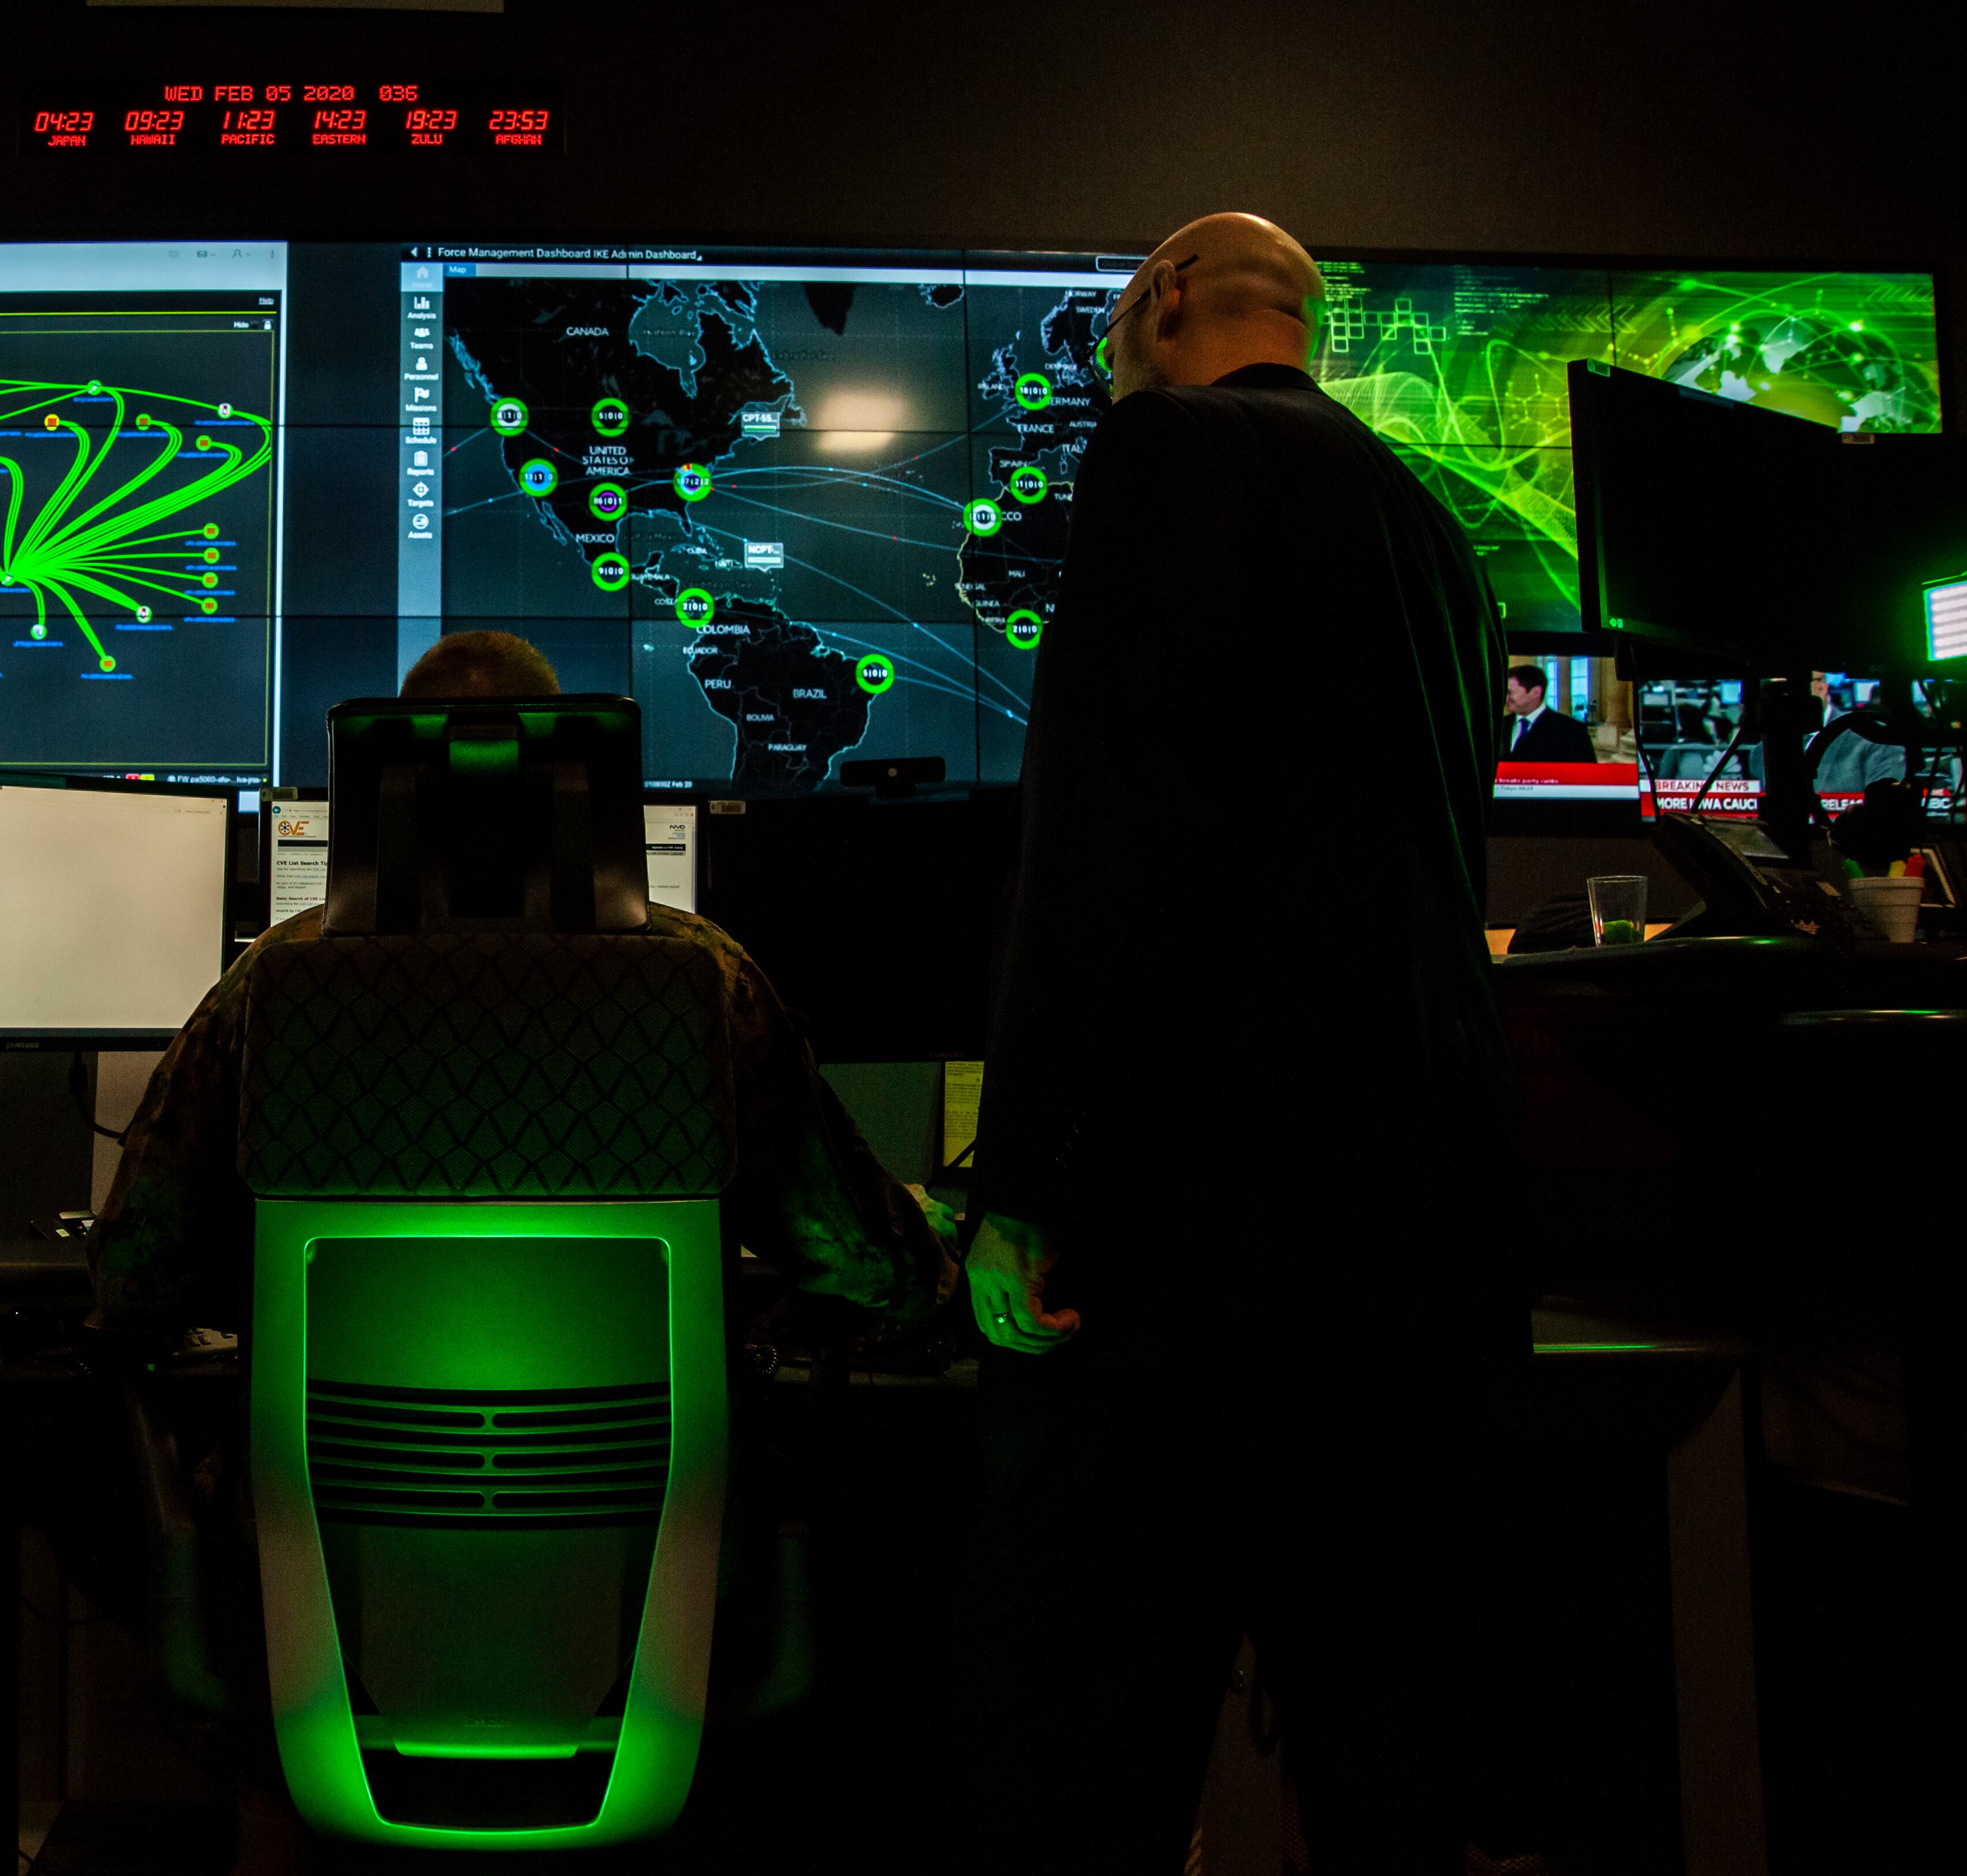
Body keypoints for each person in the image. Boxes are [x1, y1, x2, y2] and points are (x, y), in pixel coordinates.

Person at [90, 628, 956, 1874]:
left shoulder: (275, 986)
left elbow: (130, 1278)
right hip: (650, 1620)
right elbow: (863, 1264)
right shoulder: (699, 982)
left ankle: (274, 1802)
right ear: (597, 786)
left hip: (328, 1614)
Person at [966, 214, 1518, 1872]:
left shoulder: (1167, 450)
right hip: (1422, 1222)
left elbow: (1107, 840)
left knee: (1088, 1742)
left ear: (1152, 307)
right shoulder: (1439, 535)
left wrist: (1028, 1183)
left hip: (1205, 1222)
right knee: (1379, 1744)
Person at [1502, 662, 1596, 762]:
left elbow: (1587, 774)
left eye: (1509, 692)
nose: (1505, 698)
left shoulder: (1571, 730)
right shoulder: (1498, 726)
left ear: (1536, 692)